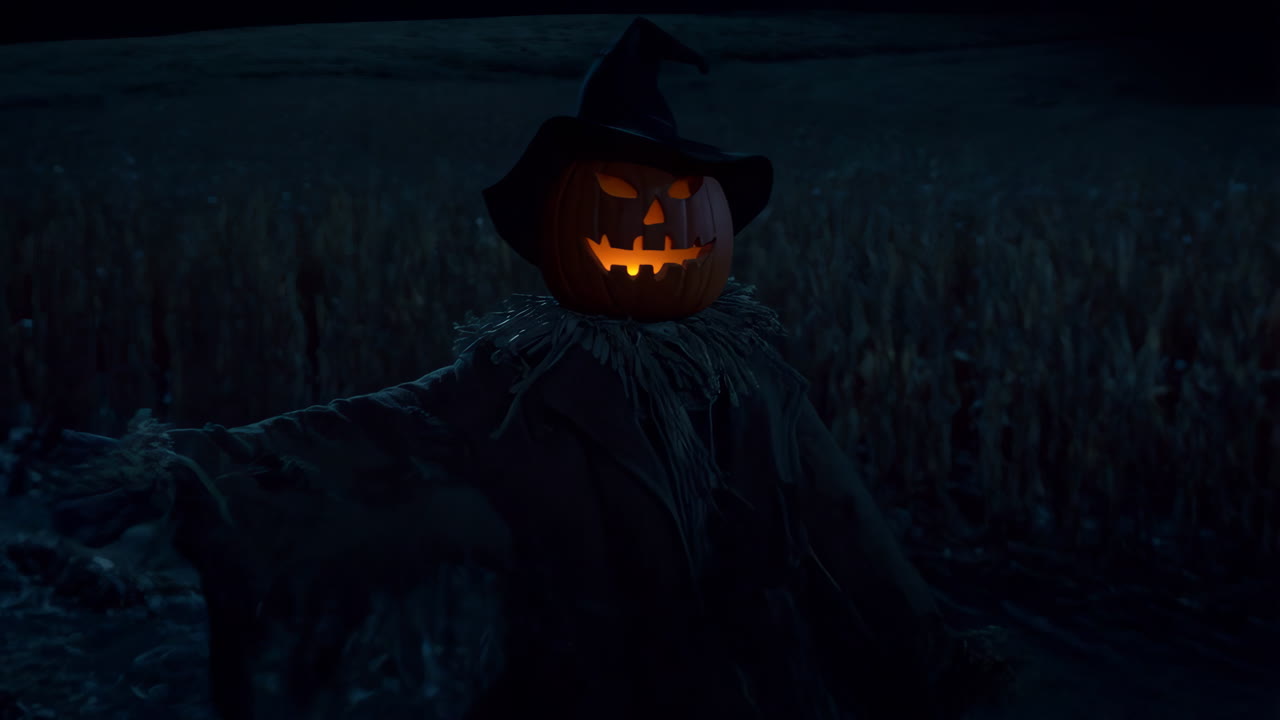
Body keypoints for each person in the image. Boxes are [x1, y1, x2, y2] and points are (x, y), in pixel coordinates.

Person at [19, 17, 1013, 720]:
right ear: (554, 226)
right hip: (581, 684)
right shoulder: (514, 380)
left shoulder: (751, 382)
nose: (652, 226)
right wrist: (192, 467)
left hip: (742, 680)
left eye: (680, 204)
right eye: (620, 199)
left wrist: (923, 649)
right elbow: (378, 427)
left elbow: (840, 524)